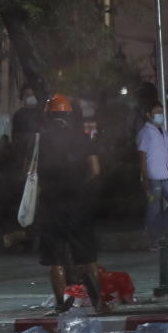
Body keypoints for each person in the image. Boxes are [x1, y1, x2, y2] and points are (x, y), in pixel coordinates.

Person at [37, 94, 109, 315]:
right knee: (87, 256)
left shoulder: (42, 140)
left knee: (55, 259)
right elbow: (96, 170)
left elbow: (29, 173)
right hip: (79, 205)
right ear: (69, 114)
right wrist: (81, 187)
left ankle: (61, 305)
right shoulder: (82, 137)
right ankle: (99, 304)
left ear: (48, 115)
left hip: (51, 205)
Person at [136, 102, 168, 250]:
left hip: (166, 176)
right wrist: (144, 177)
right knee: (154, 209)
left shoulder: (163, 131)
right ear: (148, 115)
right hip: (153, 177)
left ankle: (155, 231)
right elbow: (142, 157)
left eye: (161, 112)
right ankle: (153, 240)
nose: (160, 115)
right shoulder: (145, 132)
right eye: (156, 112)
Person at [11, 85, 43, 168]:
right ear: (22, 97)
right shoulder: (18, 115)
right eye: (27, 95)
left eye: (32, 95)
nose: (30, 98)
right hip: (21, 156)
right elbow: (15, 136)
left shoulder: (40, 114)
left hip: (38, 156)